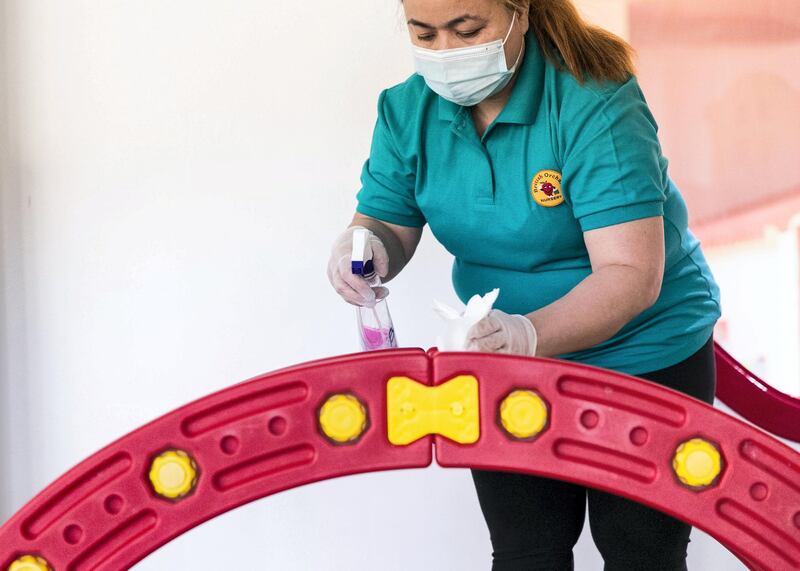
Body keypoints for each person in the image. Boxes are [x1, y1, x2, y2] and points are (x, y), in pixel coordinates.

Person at [326, 1, 722, 569]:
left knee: (641, 551)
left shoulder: (594, 99)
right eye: (424, 33)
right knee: (526, 550)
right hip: (507, 360)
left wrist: (526, 333)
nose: (446, 53)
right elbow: (387, 221)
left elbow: (630, 275)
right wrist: (361, 251)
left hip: (643, 356)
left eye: (468, 30)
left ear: (521, 12)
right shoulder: (405, 111)